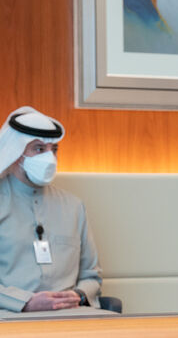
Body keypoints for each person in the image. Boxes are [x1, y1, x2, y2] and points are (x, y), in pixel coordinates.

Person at [0, 107, 102, 314]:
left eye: (53, 149)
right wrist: (24, 302)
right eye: (39, 149)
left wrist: (79, 295)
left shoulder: (73, 206)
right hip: (10, 315)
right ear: (17, 153)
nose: (49, 157)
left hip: (73, 315)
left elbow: (92, 275)